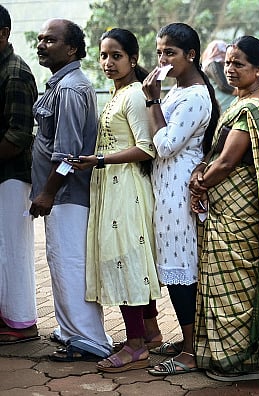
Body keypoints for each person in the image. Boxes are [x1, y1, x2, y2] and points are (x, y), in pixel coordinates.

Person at [188, 35, 259, 382]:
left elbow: (228, 160)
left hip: (237, 210)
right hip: (230, 205)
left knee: (235, 284)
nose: (230, 69)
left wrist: (199, 182)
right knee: (233, 282)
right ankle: (231, 357)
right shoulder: (245, 101)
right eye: (228, 62)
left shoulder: (253, 107)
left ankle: (238, 362)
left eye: (239, 63)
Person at [66, 28, 161, 373]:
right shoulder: (118, 92)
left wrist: (99, 160)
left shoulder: (134, 94)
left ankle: (135, 345)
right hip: (111, 184)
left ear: (133, 59)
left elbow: (146, 147)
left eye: (116, 55)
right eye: (104, 55)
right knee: (126, 258)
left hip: (126, 187)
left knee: (122, 260)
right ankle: (149, 333)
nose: (108, 62)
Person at [29, 18, 112, 361]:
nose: (41, 44)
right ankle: (70, 331)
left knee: (71, 265)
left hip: (66, 196)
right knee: (61, 263)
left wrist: (48, 193)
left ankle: (89, 341)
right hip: (60, 196)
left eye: (50, 40)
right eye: (40, 39)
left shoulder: (70, 89)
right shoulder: (61, 84)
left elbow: (67, 156)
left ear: (72, 49)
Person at [142, 22, 220, 376]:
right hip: (166, 188)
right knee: (176, 270)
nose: (163, 60)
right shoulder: (177, 92)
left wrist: (153, 99)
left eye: (170, 53)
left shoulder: (195, 96)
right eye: (159, 53)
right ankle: (190, 340)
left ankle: (190, 352)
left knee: (182, 272)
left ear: (191, 55)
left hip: (178, 192)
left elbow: (166, 145)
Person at [0, 4, 39, 345]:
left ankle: (22, 323)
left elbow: (18, 135)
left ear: (2, 33)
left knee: (13, 249)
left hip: (11, 176)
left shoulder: (15, 72)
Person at [203, 40, 235, 112]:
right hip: (224, 105)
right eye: (223, 51)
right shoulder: (212, 64)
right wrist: (239, 91)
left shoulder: (220, 64)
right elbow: (223, 85)